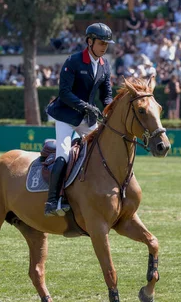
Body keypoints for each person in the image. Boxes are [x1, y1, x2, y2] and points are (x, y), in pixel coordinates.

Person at [44, 23, 114, 217]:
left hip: (87, 118)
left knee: (101, 152)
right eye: (101, 43)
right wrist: (86, 107)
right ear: (90, 41)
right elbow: (64, 93)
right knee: (64, 155)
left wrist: (110, 110)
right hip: (66, 116)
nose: (104, 47)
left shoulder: (104, 64)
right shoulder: (73, 61)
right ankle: (52, 200)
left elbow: (106, 95)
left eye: (107, 44)